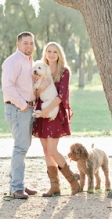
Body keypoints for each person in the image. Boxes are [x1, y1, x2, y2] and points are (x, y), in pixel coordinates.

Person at [32, 42, 80, 197]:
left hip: (54, 113)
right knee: (46, 151)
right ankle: (54, 186)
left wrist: (47, 109)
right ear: (45, 53)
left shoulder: (64, 71)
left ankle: (73, 182)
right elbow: (34, 96)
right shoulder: (40, 70)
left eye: (54, 52)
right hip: (41, 113)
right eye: (48, 51)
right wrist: (41, 87)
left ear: (59, 54)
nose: (51, 54)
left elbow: (62, 96)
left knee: (53, 150)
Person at [1, 31, 42, 199]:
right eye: (25, 43)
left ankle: (19, 183)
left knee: (23, 147)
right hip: (18, 110)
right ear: (18, 44)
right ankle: (16, 187)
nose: (29, 46)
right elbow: (8, 88)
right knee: (20, 147)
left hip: (27, 110)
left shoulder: (29, 61)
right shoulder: (12, 61)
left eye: (31, 43)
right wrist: (24, 106)